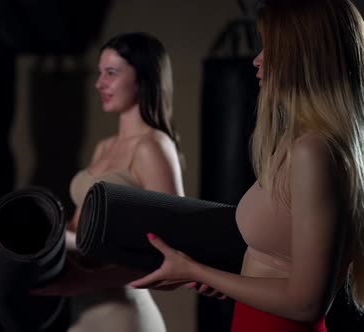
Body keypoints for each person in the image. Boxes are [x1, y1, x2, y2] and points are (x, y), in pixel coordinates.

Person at [129, 0, 364, 331]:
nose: (257, 59)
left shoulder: (315, 151)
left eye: (271, 49)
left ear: (304, 57)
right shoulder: (296, 142)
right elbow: (278, 272)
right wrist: (227, 280)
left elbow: (307, 302)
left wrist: (194, 271)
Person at [63, 32, 184, 332]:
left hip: (124, 315)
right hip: (84, 309)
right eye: (100, 73)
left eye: (111, 73)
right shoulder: (104, 147)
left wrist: (86, 278)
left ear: (142, 78)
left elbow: (171, 251)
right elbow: (79, 232)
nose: (99, 83)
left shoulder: (153, 146)